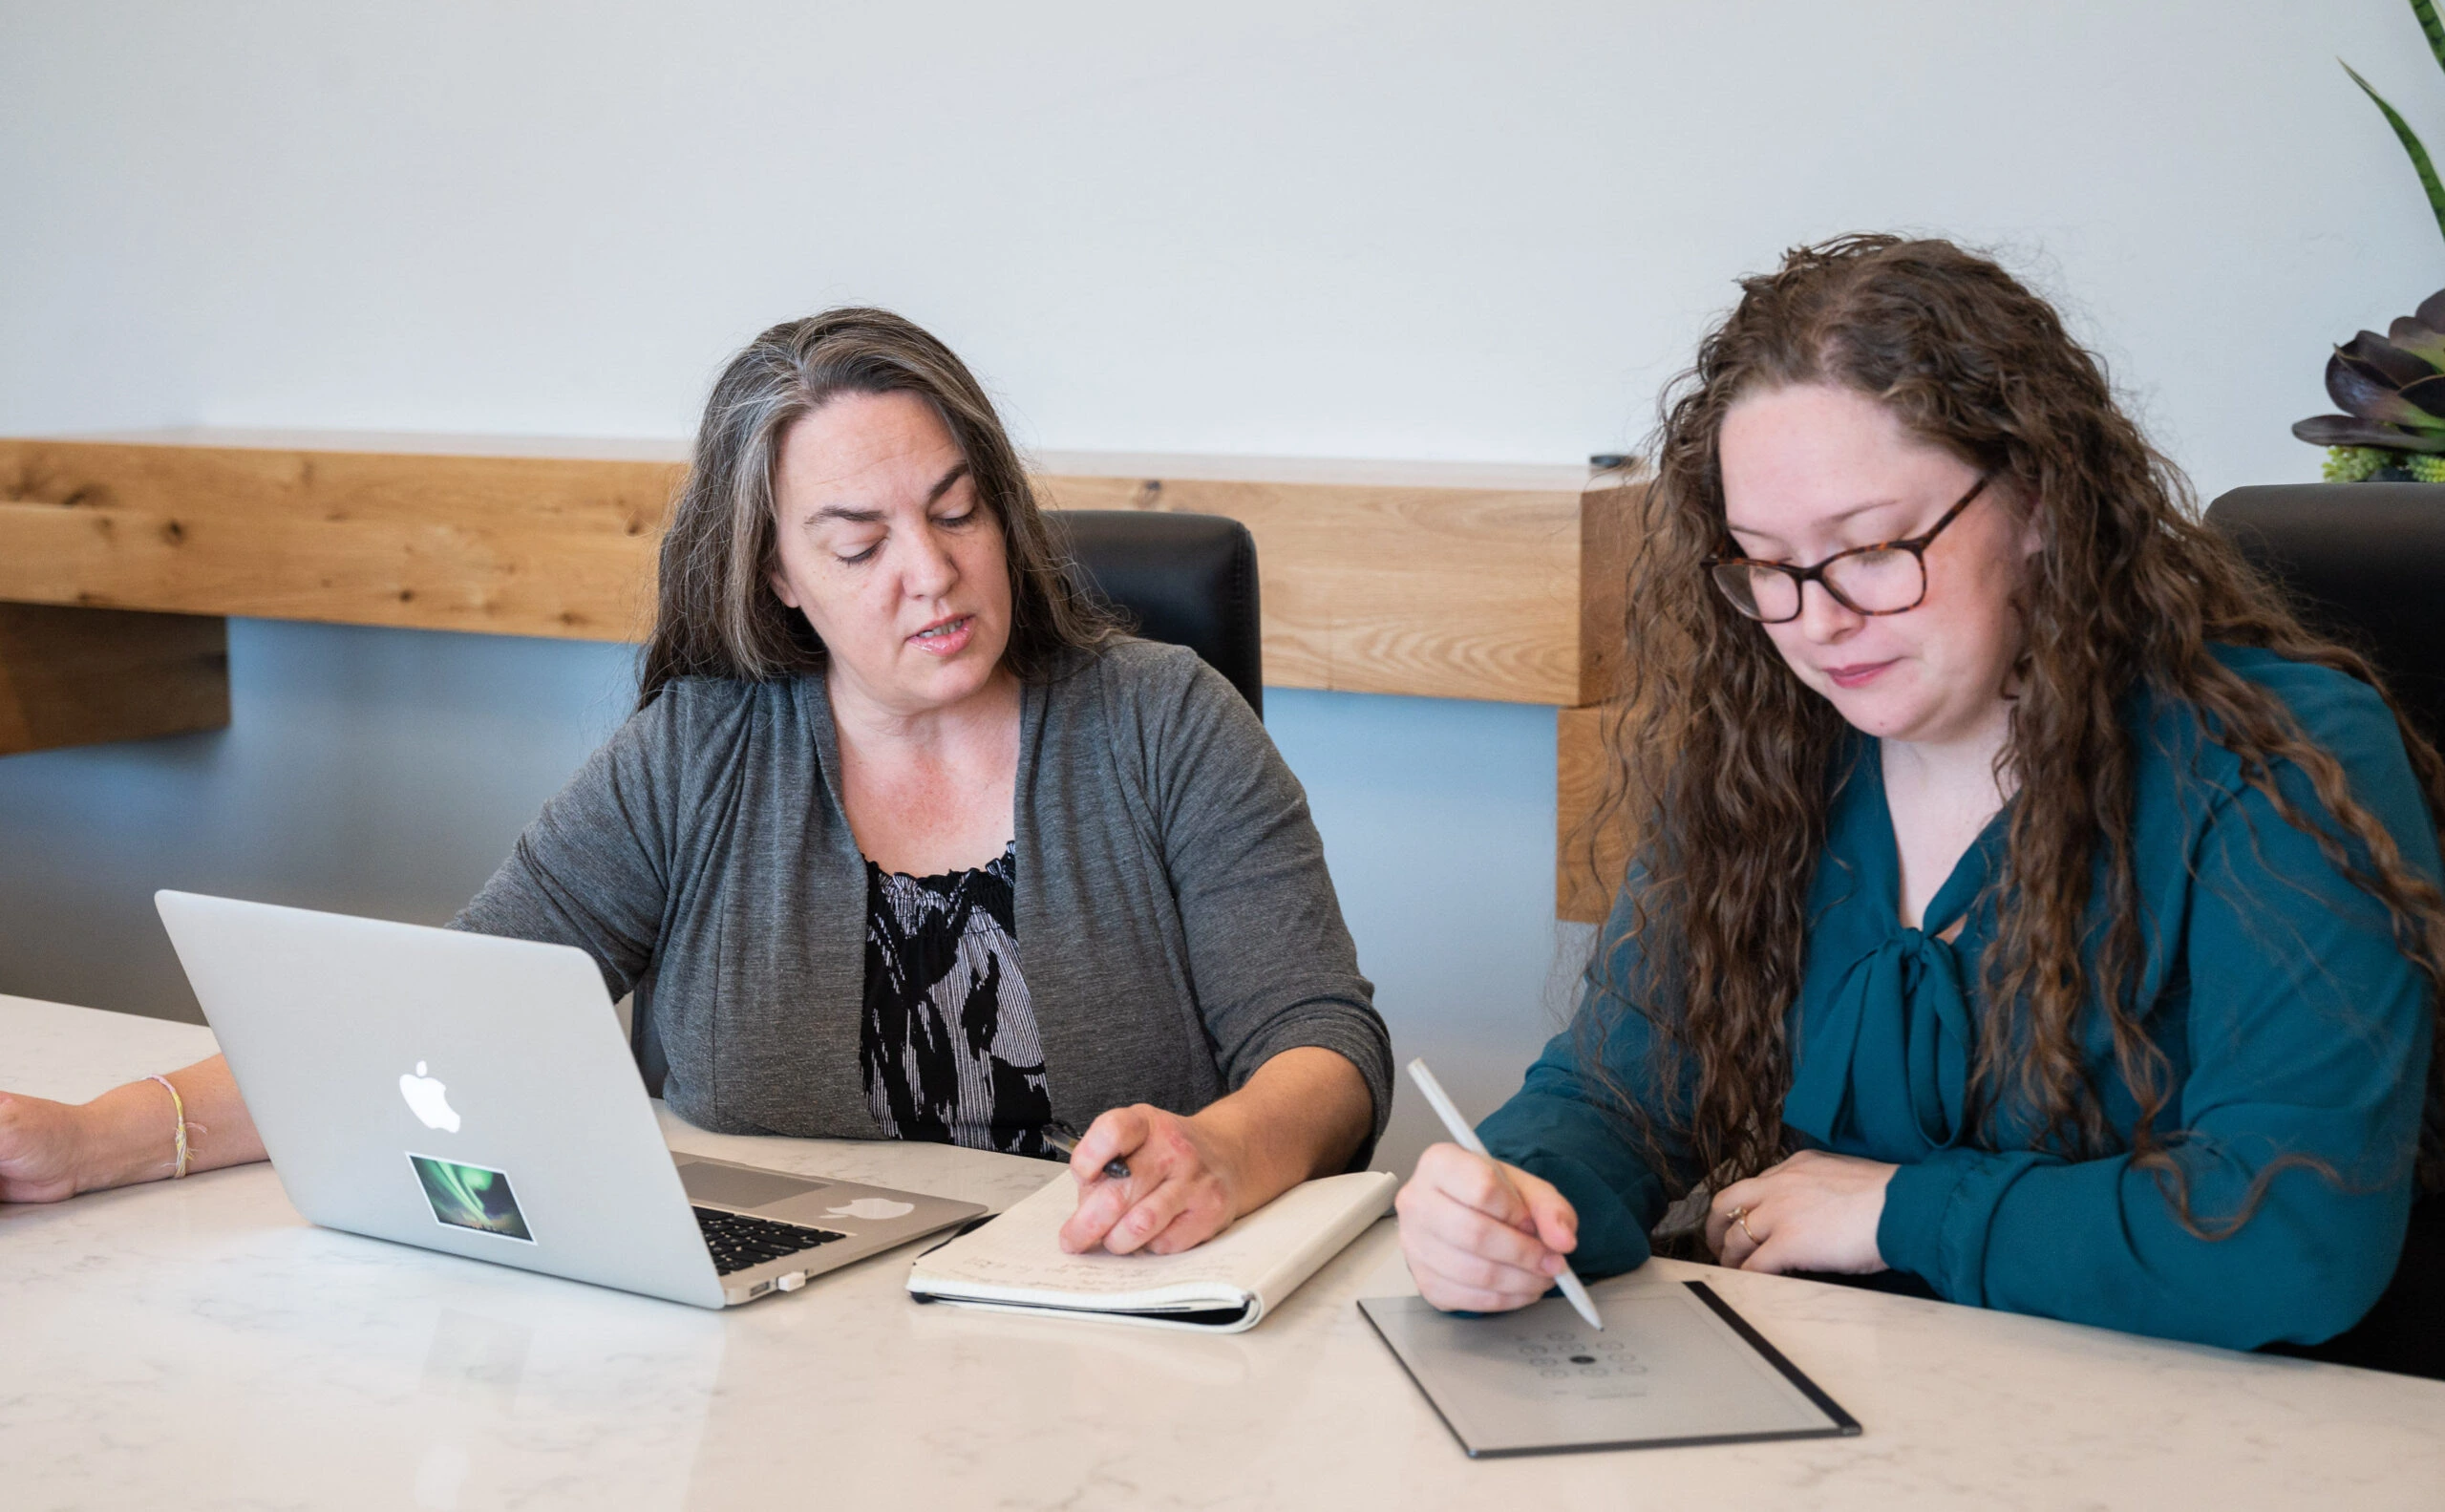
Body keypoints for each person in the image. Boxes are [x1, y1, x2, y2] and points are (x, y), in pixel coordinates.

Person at [0, 309, 1391, 1258]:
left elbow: (1323, 1040)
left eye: (956, 509)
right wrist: (90, 1138)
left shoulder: (1161, 722)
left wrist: (1227, 1148)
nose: (932, 570)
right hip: (774, 1342)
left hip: (1113, 1308)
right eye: (859, 542)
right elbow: (441, 1024)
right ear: (777, 572)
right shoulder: (701, 751)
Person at [1397, 235, 2445, 1354]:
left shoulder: (2274, 757)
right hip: (1862, 1400)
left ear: (2038, 499)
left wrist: (1897, 1209)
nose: (1817, 620)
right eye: (1766, 564)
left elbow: (2292, 1235)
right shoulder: (1765, 760)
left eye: (1872, 546)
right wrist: (1511, 1197)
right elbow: (1615, 1099)